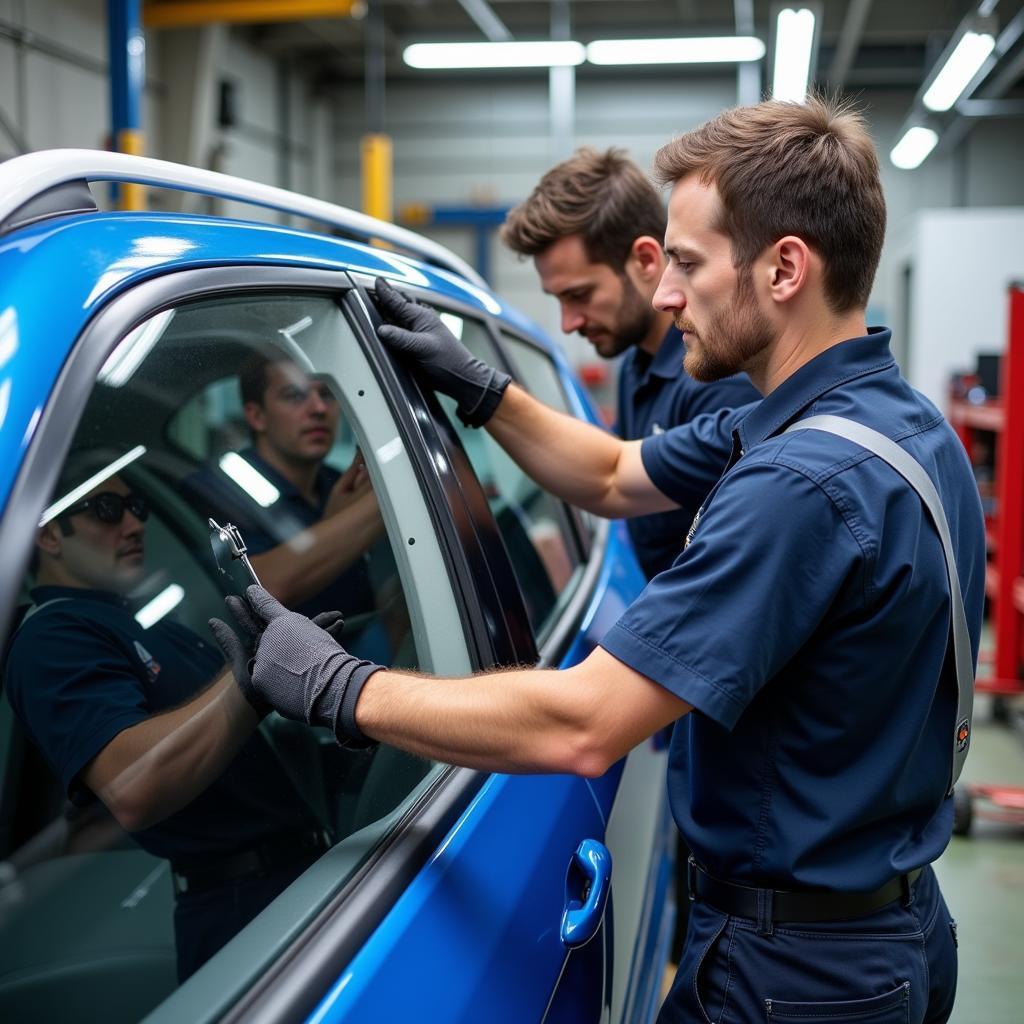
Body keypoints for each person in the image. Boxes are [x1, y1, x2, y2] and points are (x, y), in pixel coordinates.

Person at [217, 96, 985, 1022]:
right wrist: (481, 388)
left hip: (799, 975)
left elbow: (584, 725)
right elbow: (619, 475)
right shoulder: (901, 428)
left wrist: (343, 688)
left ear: (786, 268)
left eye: (691, 265)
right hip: (892, 932)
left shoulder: (800, 484)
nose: (665, 294)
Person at [4, 464, 338, 981]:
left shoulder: (126, 619)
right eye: (106, 510)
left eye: (136, 509)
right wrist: (246, 685)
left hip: (284, 876)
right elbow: (131, 786)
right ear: (48, 534)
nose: (134, 525)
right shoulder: (51, 639)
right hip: (241, 906)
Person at [501, 146, 759, 578]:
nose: (568, 323)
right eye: (558, 300)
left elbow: (728, 571)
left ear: (644, 259)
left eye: (579, 295)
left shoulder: (718, 378)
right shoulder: (636, 363)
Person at [194, 353, 385, 619]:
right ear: (256, 416)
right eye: (295, 396)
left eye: (327, 394)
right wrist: (383, 501)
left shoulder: (337, 481)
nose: (319, 408)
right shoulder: (211, 490)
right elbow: (260, 589)